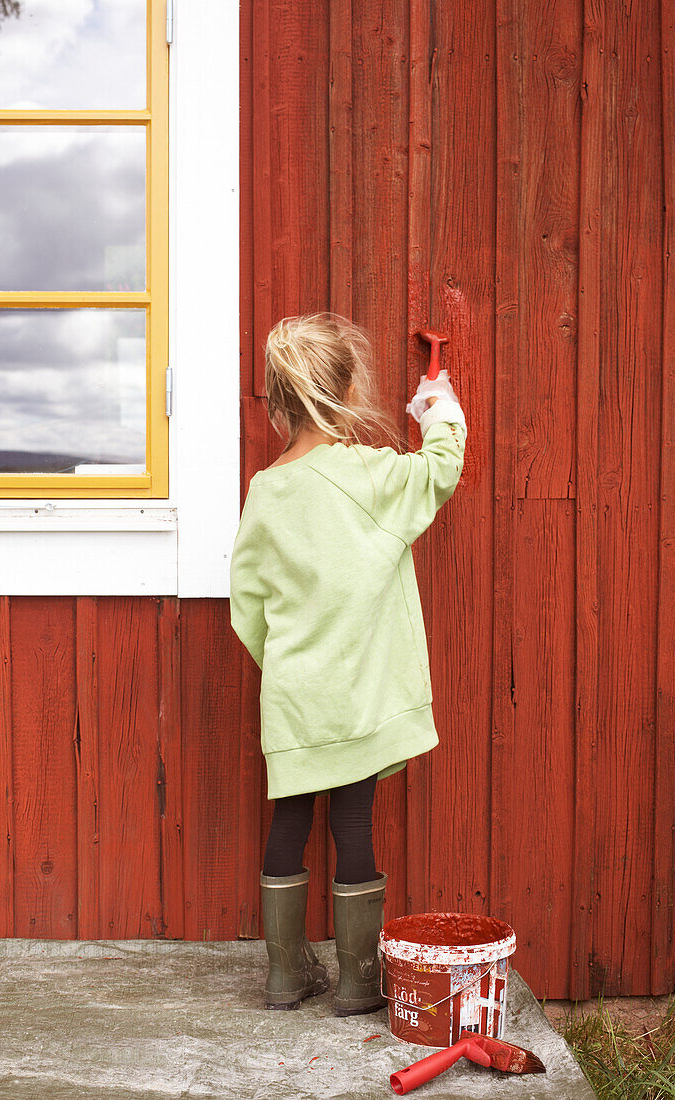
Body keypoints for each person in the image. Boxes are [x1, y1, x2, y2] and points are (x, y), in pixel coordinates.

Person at [229, 312, 467, 1016]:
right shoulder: (371, 475)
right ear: (349, 389)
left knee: (288, 823)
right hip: (359, 693)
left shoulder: (266, 492)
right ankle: (360, 982)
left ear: (278, 402)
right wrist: (437, 403)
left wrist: (285, 665)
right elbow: (442, 470)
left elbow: (246, 606)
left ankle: (284, 976)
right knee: (353, 826)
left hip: (297, 696)